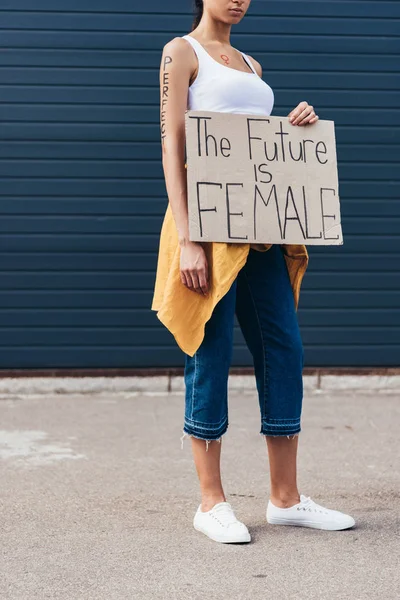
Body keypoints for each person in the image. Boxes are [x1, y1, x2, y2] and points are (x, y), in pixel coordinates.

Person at [151, 0, 356, 543]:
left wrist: (293, 130)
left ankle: (285, 499)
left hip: (259, 233)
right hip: (207, 233)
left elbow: (250, 150)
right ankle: (211, 502)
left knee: (284, 349)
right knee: (210, 351)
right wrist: (189, 240)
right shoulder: (182, 52)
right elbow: (174, 146)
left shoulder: (251, 63)